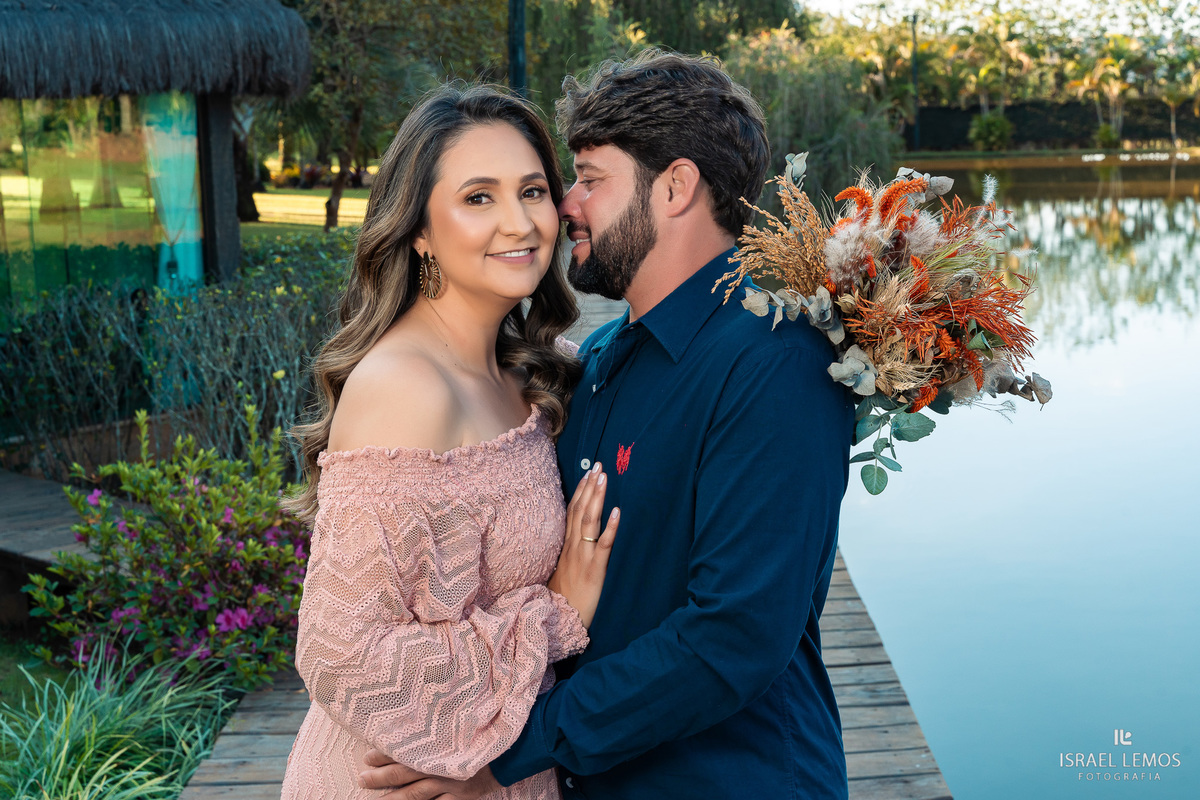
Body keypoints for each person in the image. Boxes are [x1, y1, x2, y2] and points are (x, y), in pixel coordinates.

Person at [358, 50, 855, 800]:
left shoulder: (775, 365)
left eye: (591, 179)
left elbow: (734, 639)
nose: (565, 205)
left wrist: (506, 751)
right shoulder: (599, 356)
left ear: (675, 187)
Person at [279, 84, 620, 800]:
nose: (520, 223)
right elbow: (339, 654)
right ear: (420, 231)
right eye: (478, 198)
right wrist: (551, 617)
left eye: (532, 190)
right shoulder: (406, 387)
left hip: (488, 767)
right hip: (399, 777)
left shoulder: (518, 369)